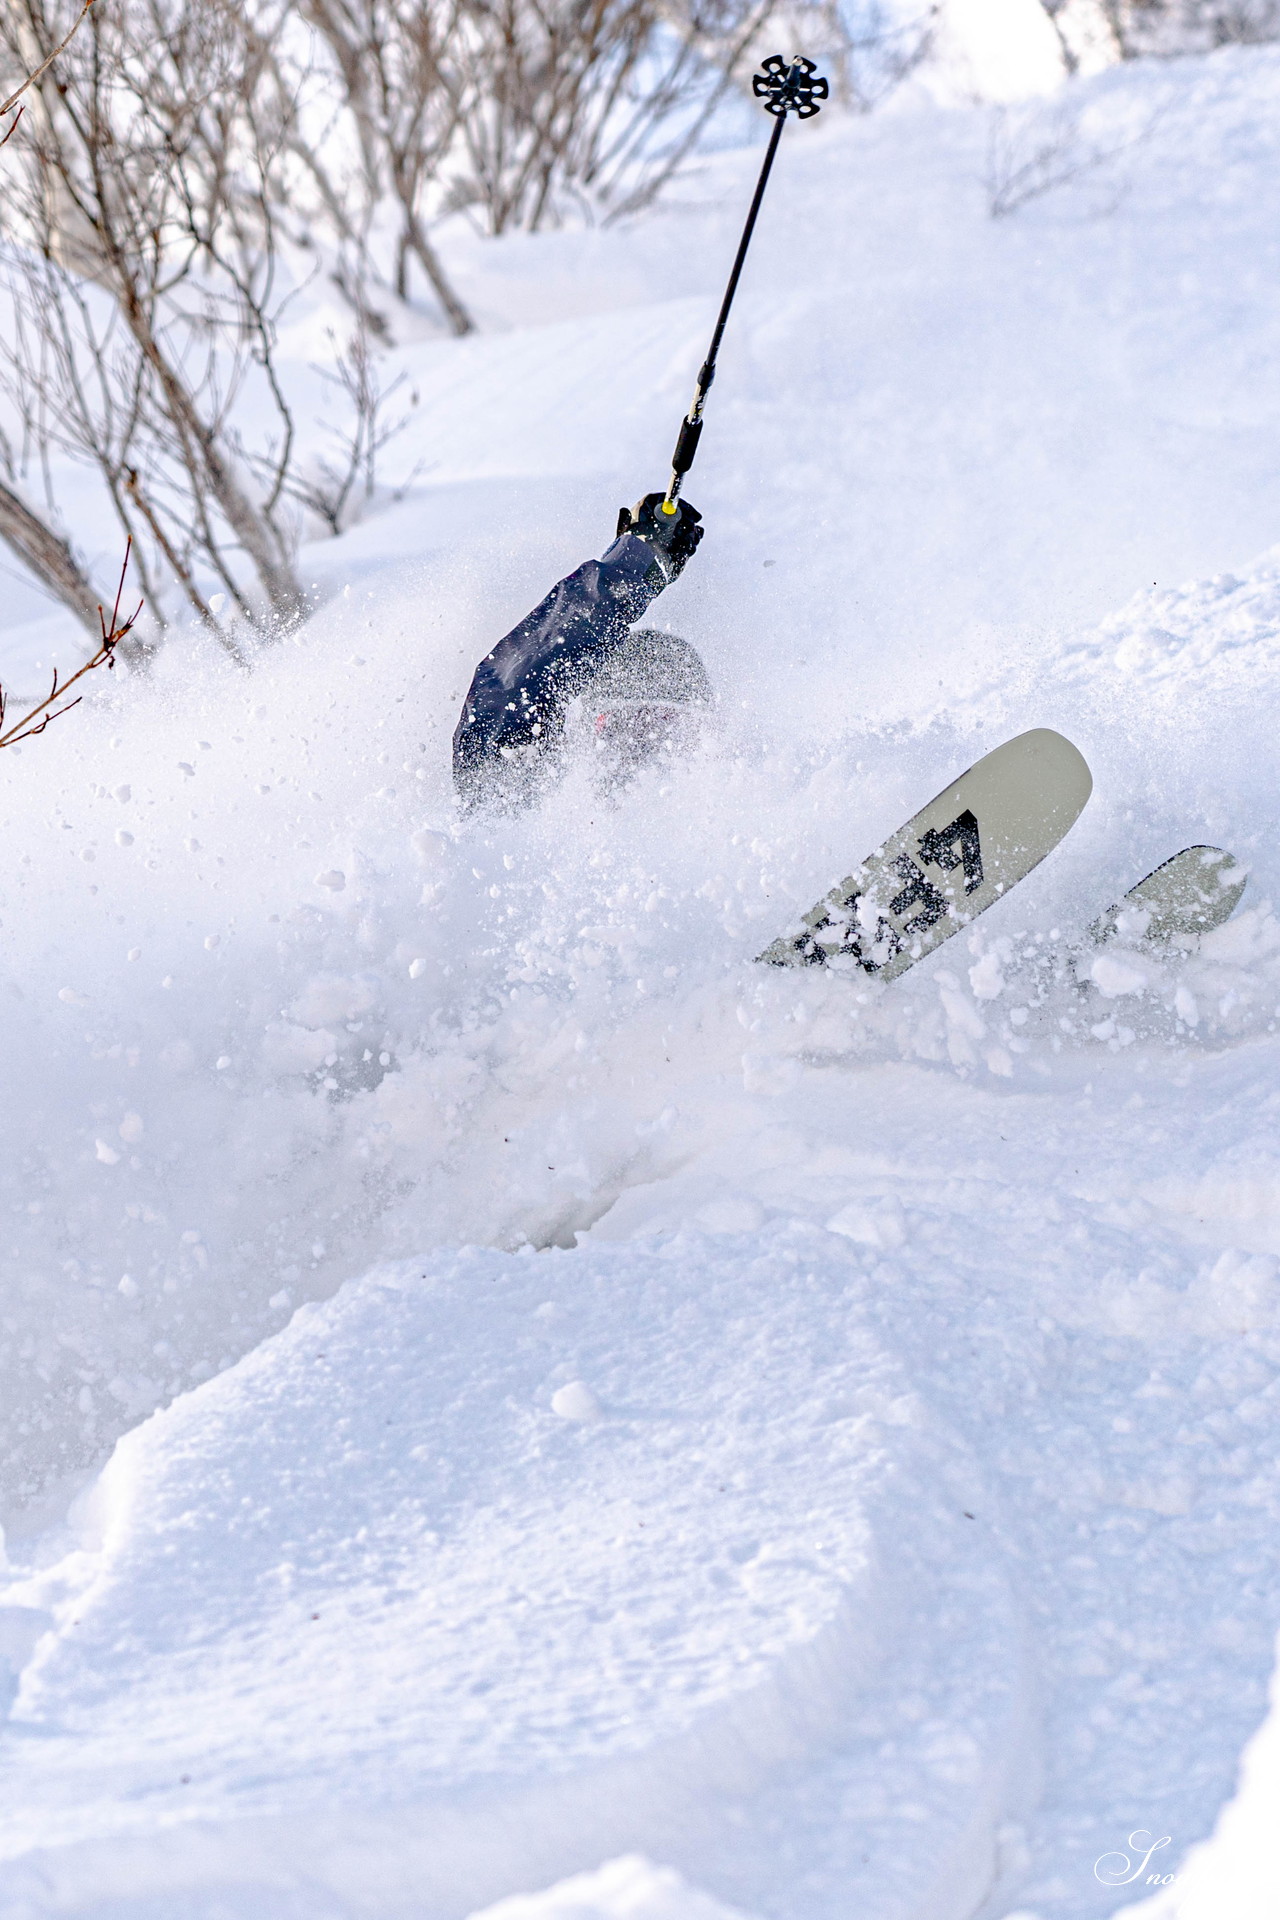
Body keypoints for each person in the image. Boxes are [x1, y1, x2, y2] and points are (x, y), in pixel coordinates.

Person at [453, 492, 709, 806]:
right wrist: (638, 559)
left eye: (669, 733)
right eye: (621, 732)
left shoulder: (755, 826)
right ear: (581, 735)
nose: (644, 754)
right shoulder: (521, 821)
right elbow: (510, 702)